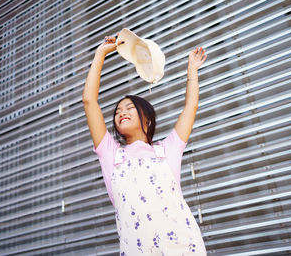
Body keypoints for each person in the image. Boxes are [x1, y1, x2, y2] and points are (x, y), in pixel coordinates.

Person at [82, 33, 207, 256]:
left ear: (147, 119)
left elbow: (191, 107)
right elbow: (89, 101)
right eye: (118, 111)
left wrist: (192, 71)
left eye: (129, 108)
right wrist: (100, 53)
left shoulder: (167, 150)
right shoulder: (111, 154)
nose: (122, 113)